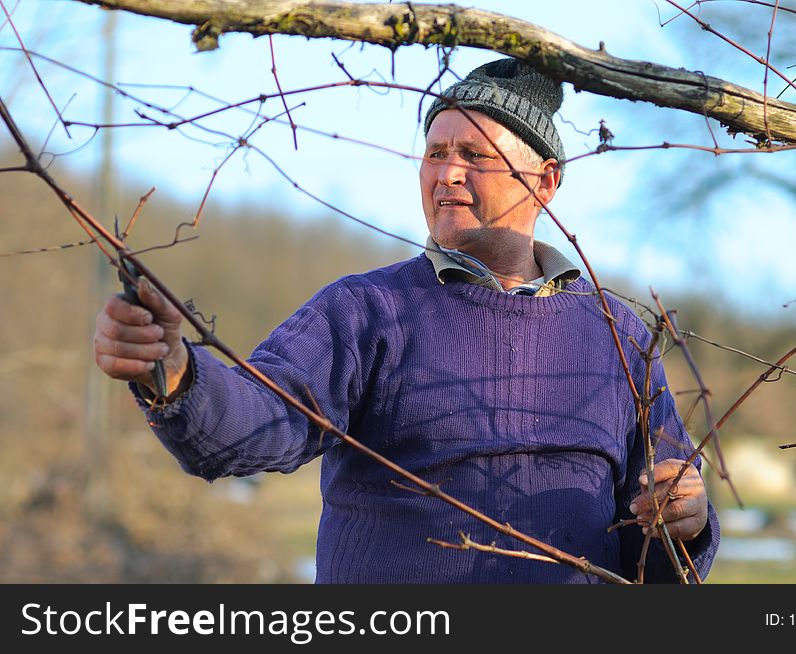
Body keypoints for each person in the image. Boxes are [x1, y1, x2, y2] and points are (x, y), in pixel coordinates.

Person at [94, 57, 720, 583]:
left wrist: (685, 526)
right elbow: (257, 421)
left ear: (545, 180)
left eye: (473, 155)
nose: (446, 173)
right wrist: (173, 370)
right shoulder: (367, 313)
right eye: (435, 153)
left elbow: (660, 545)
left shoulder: (617, 335)